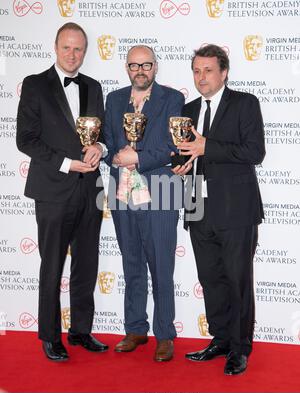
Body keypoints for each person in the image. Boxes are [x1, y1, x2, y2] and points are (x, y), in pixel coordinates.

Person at [16, 22, 108, 362]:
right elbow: (25, 139)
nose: (73, 54)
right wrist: (66, 164)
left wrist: (99, 146)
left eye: (79, 49)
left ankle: (81, 331)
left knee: (87, 263)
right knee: (52, 265)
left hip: (91, 190)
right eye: (67, 47)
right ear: (56, 47)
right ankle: (50, 336)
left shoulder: (94, 87)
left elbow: (104, 132)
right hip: (53, 189)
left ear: (85, 52)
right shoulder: (35, 84)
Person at [173, 44, 265, 375]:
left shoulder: (245, 103)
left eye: (208, 70)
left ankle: (240, 348)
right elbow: (186, 153)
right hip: (198, 206)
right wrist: (181, 164)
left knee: (237, 279)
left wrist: (206, 146)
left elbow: (255, 152)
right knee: (210, 279)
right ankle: (221, 338)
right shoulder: (188, 108)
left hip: (236, 210)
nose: (201, 77)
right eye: (197, 71)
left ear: (224, 72)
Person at [104, 45, 184, 361]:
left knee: (162, 266)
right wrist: (115, 156)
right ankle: (135, 328)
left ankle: (165, 335)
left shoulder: (172, 99)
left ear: (155, 67)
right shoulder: (113, 100)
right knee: (132, 262)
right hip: (123, 193)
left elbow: (171, 147)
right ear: (126, 68)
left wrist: (137, 157)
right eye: (134, 65)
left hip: (161, 190)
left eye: (146, 64)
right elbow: (107, 144)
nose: (140, 70)